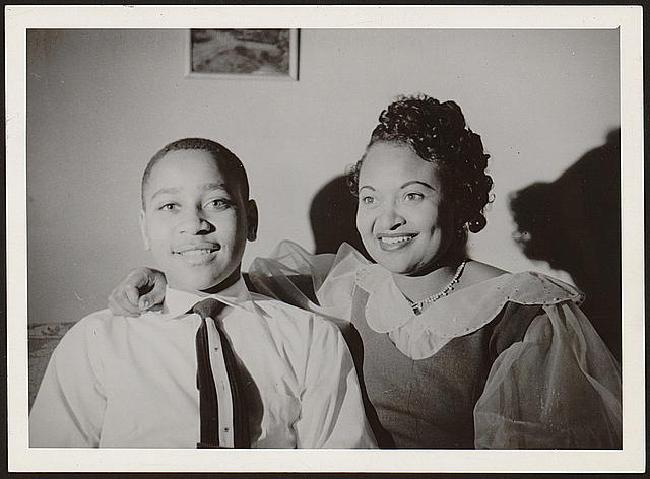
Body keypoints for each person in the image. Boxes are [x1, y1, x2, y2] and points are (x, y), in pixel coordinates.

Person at [109, 96, 622, 449]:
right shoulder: (350, 286)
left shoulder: (518, 313)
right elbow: (233, 284)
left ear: (460, 200)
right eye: (370, 198)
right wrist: (161, 276)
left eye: (413, 196)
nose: (387, 219)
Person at [29, 138, 376, 449]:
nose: (195, 224)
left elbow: (342, 459)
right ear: (144, 227)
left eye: (217, 203)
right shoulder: (95, 342)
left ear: (251, 220)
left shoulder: (312, 338)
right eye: (170, 207)